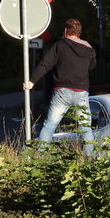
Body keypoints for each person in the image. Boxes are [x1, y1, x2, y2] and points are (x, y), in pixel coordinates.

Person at [23, 18, 96, 155]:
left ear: (65, 31)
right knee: (86, 128)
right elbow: (92, 66)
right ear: (79, 32)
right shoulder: (88, 48)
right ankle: (91, 161)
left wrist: (32, 81)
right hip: (81, 91)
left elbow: (46, 64)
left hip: (62, 92)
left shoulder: (60, 45)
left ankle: (41, 159)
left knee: (50, 125)